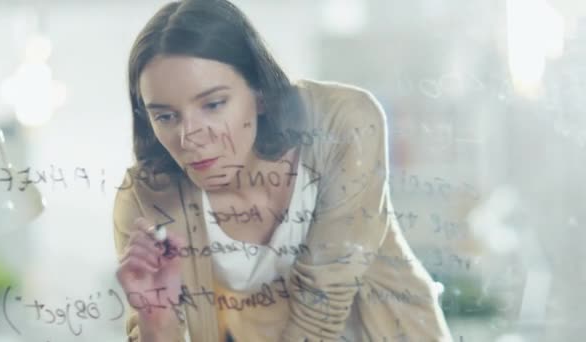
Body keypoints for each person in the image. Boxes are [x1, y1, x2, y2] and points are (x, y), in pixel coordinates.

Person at [113, 0, 452, 341]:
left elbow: (323, 305)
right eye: (165, 116)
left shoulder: (345, 124)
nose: (189, 137)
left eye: (213, 105)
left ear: (259, 94)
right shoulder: (146, 202)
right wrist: (156, 321)